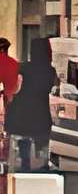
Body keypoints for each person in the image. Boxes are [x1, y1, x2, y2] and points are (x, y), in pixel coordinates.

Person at [5, 42, 57, 173]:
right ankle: (44, 163)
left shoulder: (21, 68)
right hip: (40, 111)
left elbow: (13, 88)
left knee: (24, 138)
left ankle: (25, 163)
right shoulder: (50, 71)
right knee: (43, 138)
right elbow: (51, 88)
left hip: (21, 110)